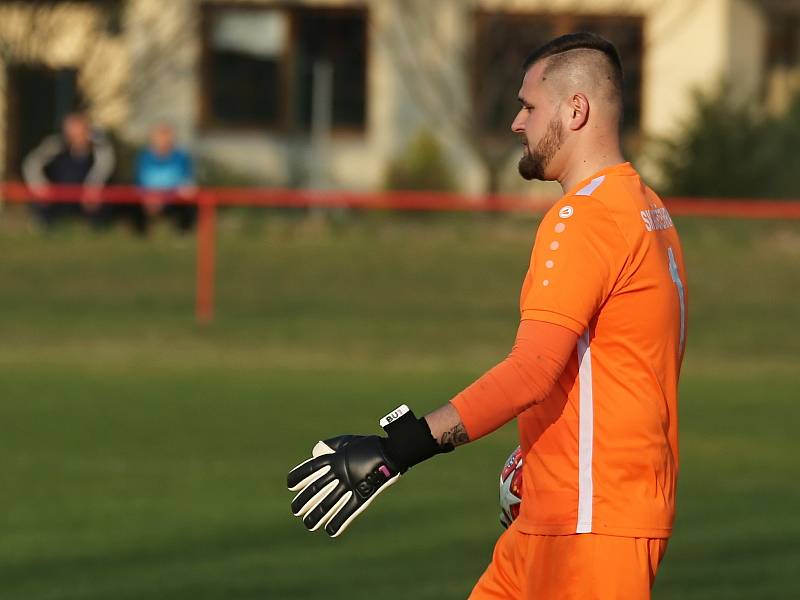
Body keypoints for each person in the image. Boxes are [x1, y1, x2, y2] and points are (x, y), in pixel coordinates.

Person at [287, 32, 688, 600]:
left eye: (529, 107)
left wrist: (396, 451)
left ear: (577, 110)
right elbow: (618, 366)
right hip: (561, 515)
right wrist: (541, 456)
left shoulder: (586, 217)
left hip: (588, 526)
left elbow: (531, 371)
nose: (516, 124)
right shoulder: (647, 210)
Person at [22, 111, 115, 228]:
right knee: (41, 208)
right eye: (72, 131)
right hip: (58, 196)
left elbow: (104, 168)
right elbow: (31, 164)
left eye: (80, 131)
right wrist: (40, 187)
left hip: (86, 197)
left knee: (102, 204)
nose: (76, 136)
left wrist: (92, 190)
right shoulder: (55, 145)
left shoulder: (99, 148)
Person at [135, 122, 197, 232]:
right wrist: (149, 198)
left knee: (189, 202)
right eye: (160, 135)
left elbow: (186, 183)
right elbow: (138, 183)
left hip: (172, 199)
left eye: (167, 135)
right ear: (152, 137)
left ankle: (184, 232)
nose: (164, 139)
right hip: (148, 199)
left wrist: (164, 198)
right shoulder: (144, 157)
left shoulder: (181, 157)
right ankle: (140, 233)